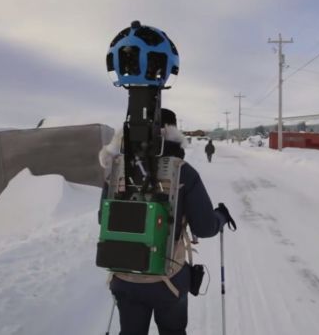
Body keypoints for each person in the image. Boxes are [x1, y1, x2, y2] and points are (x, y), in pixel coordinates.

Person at [98, 108, 236, 335]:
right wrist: (221, 217)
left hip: (123, 277)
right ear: (172, 131)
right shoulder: (183, 172)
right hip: (168, 281)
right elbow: (205, 227)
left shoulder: (116, 169)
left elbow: (103, 218)